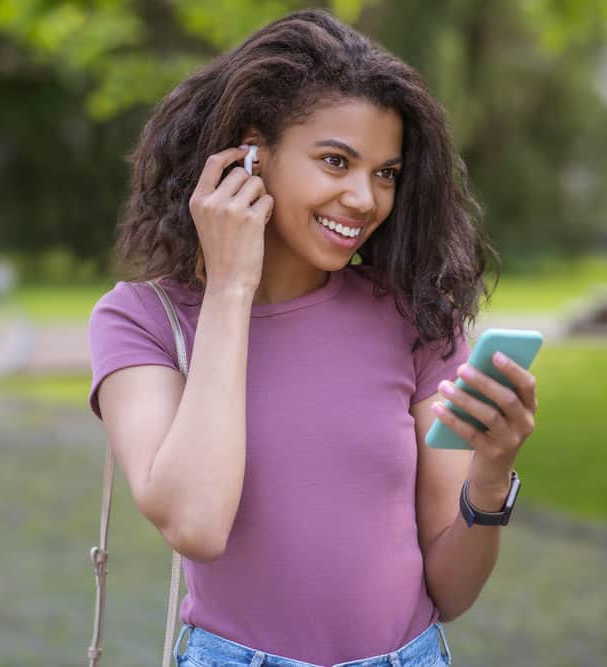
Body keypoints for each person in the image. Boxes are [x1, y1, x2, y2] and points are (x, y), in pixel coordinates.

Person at [87, 9, 539, 667]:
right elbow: (196, 523)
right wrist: (231, 289)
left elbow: (451, 589)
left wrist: (493, 477)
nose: (364, 198)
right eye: (336, 161)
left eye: (386, 172)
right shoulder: (141, 320)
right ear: (253, 151)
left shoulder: (412, 316)